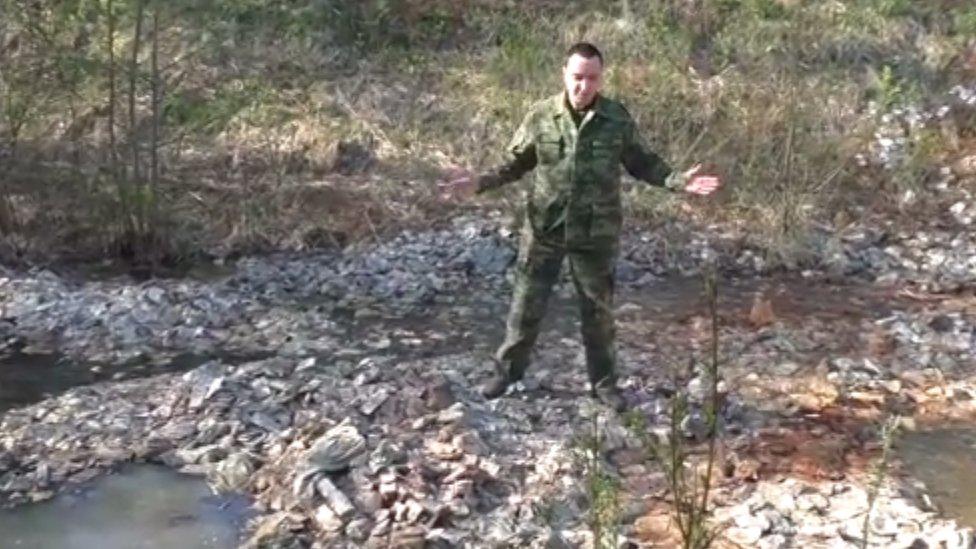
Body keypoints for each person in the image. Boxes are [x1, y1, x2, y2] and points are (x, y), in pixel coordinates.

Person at [441, 42, 721, 411]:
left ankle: (604, 384)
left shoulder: (616, 119)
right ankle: (507, 374)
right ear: (564, 75)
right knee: (526, 306)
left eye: (591, 78)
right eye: (577, 77)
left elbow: (643, 162)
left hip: (595, 234)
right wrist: (478, 183)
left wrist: (677, 181)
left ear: (601, 79)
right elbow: (513, 164)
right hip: (546, 230)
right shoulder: (541, 116)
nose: (583, 86)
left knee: (598, 313)